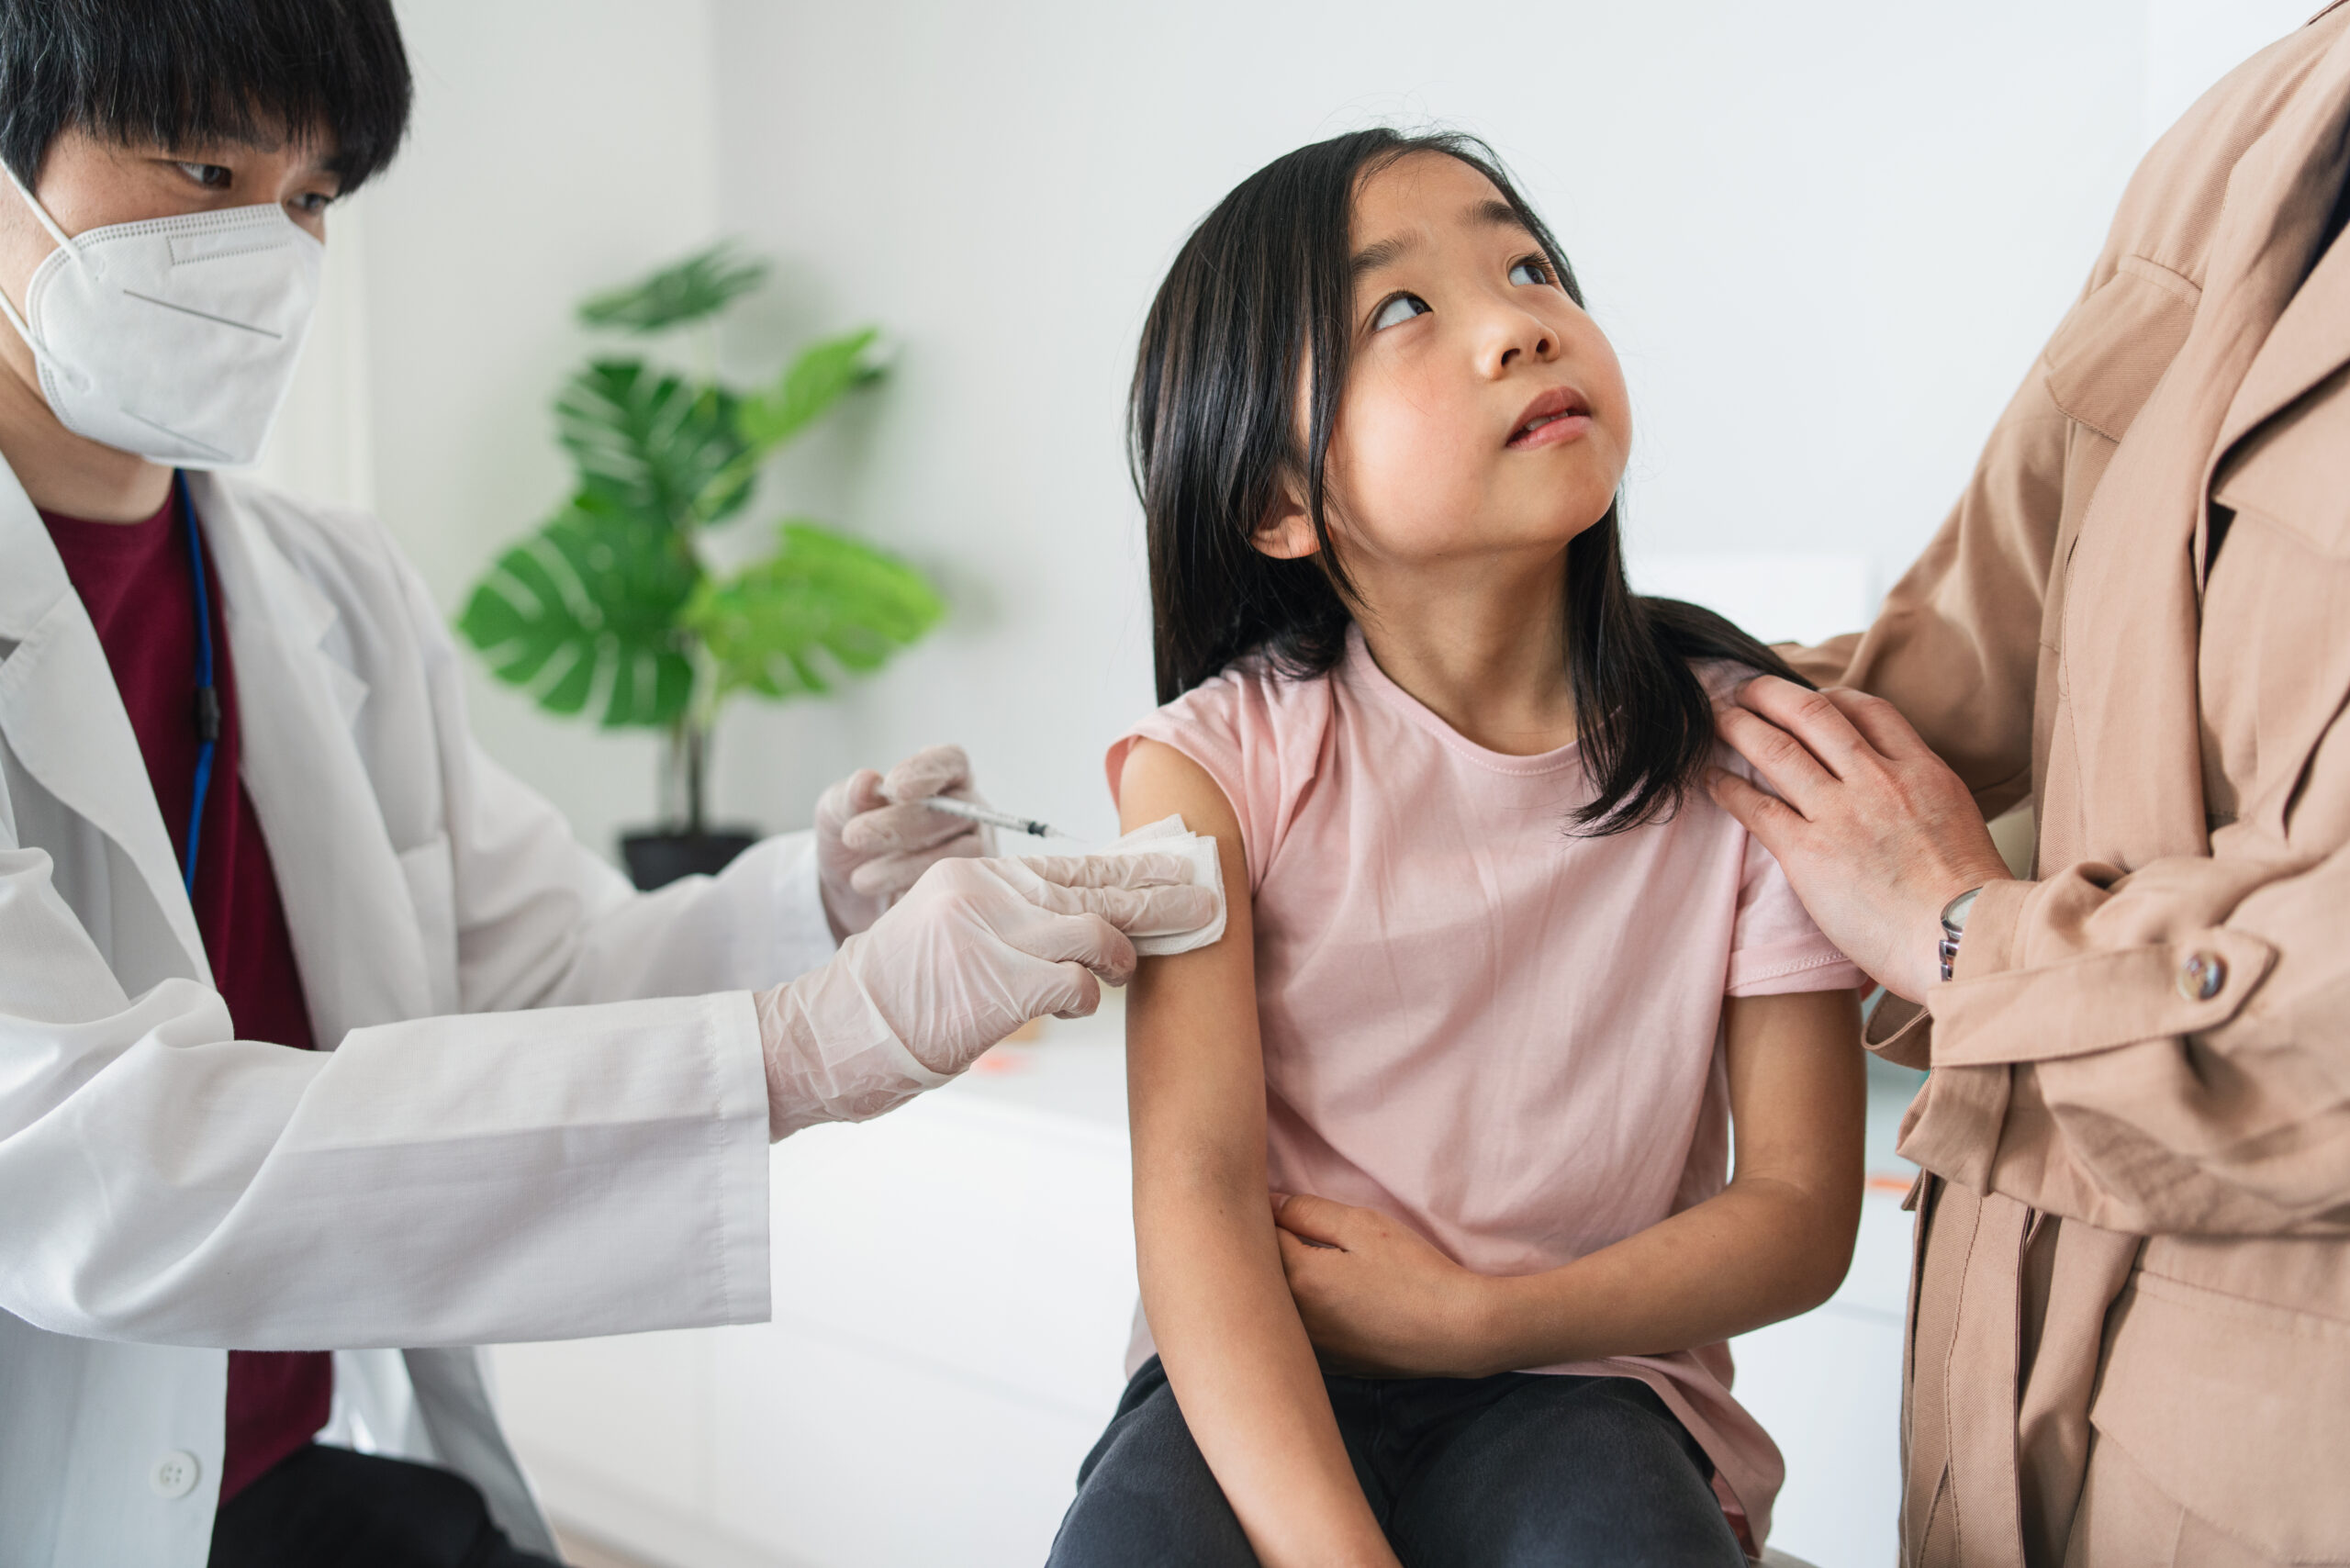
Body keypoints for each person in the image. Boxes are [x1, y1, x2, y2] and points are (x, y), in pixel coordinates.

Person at [0, 4, 1215, 1566]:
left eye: (309, 198)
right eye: (201, 165)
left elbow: (540, 966)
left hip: (282, 1468)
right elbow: (106, 1162)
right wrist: (803, 1049)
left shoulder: (330, 591)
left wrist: (823, 906)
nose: (269, 250)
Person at [1044, 130, 1871, 1568]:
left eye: (1530, 265)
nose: (1521, 320)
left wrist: (1482, 1317)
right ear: (1278, 504)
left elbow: (1799, 1215)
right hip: (1262, 1376)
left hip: (1592, 1386)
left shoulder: (1753, 757)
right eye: (1402, 310)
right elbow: (1196, 1198)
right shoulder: (1211, 768)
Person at [1669, 8, 2350, 1564]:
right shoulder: (2255, 124)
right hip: (2015, 1431)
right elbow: (1967, 650)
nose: (1519, 330)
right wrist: (1514, 713)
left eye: (1525, 273)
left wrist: (1965, 936)